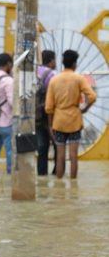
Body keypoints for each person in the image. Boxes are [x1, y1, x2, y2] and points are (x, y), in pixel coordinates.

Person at [46, 49, 97, 180]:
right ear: (74, 63)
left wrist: (50, 125)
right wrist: (84, 109)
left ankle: (59, 185)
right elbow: (92, 96)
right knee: (73, 156)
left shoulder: (54, 80)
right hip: (74, 120)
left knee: (60, 156)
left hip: (58, 121)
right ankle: (73, 184)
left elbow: (49, 107)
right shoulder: (79, 78)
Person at [36, 50, 58, 176]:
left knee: (41, 146)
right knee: (57, 144)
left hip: (37, 114)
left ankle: (41, 174)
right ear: (51, 61)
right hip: (52, 114)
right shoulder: (53, 74)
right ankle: (57, 172)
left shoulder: (34, 72)